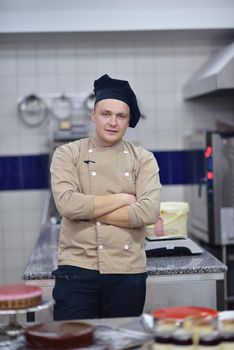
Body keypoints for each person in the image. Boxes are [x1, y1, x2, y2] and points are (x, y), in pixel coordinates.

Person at [50, 74, 161, 320]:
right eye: (106, 114)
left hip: (128, 272)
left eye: (121, 116)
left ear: (129, 119)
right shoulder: (67, 153)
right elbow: (67, 204)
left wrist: (88, 209)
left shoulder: (143, 158)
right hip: (76, 269)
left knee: (123, 342)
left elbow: (147, 212)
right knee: (73, 342)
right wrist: (123, 198)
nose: (113, 122)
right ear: (93, 115)